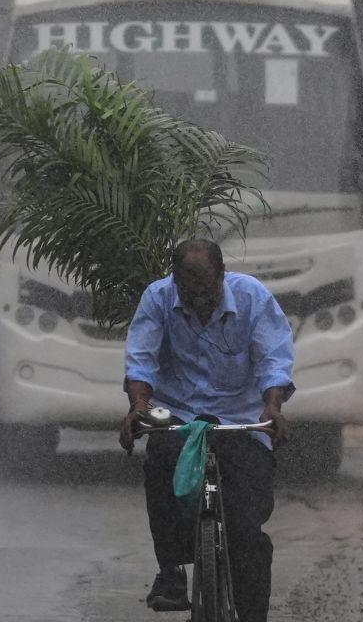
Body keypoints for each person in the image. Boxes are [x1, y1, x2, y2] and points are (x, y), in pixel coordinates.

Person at [119, 238, 294, 621]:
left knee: (248, 531)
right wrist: (138, 406)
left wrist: (272, 406)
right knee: (160, 463)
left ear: (223, 276)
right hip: (179, 418)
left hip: (239, 420)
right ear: (175, 281)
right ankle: (171, 571)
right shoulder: (157, 298)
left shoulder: (253, 298)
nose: (200, 298)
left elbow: (273, 359)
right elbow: (142, 358)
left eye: (208, 288)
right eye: (189, 288)